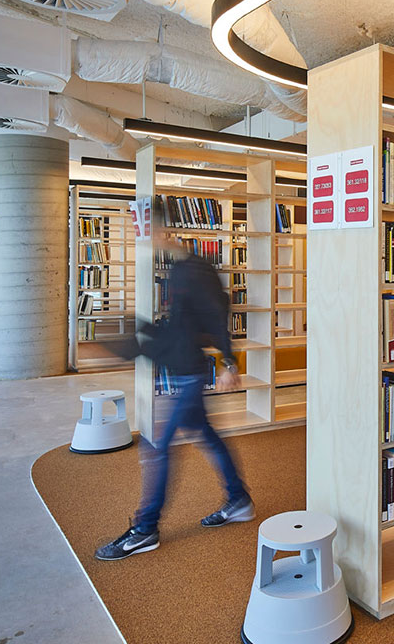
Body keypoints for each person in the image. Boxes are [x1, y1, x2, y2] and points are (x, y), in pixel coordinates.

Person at [95, 200, 254, 561]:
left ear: (163, 231)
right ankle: (238, 499)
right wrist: (141, 331)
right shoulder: (180, 270)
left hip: (190, 376)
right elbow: (183, 327)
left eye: (148, 234)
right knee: (208, 438)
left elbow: (217, 316)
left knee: (157, 447)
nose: (147, 242)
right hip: (182, 370)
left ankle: (145, 528)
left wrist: (229, 361)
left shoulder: (196, 271)